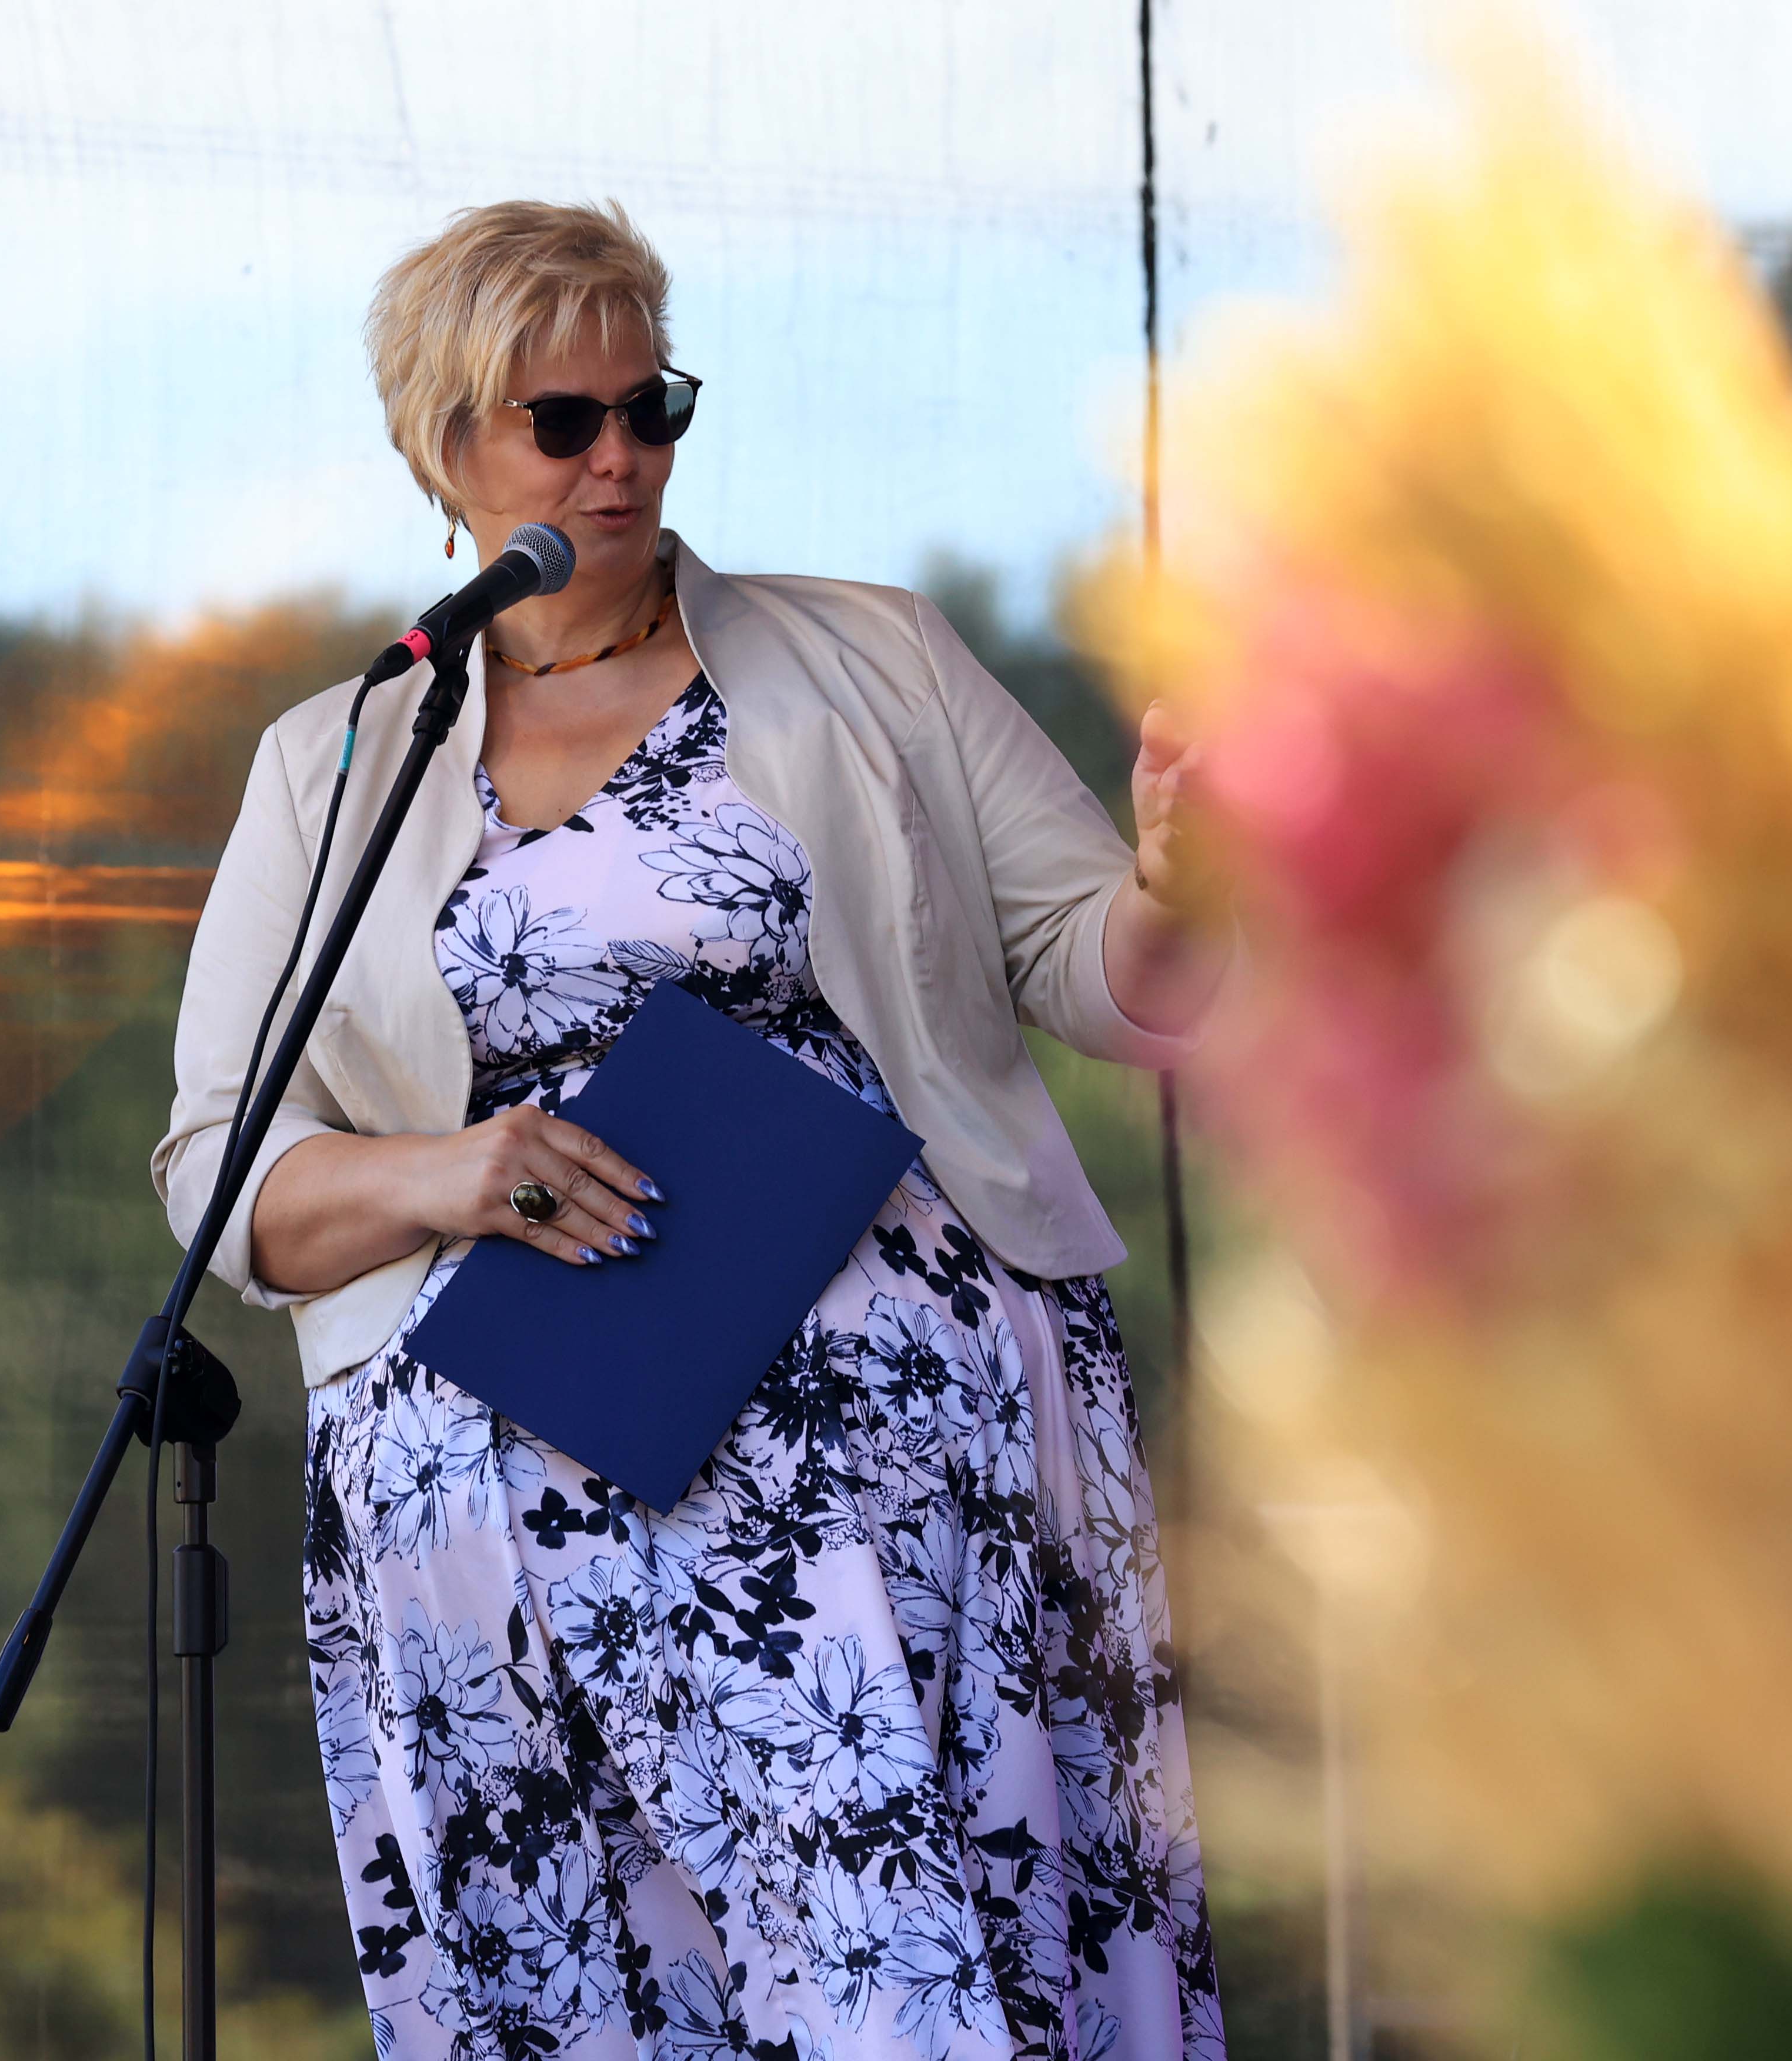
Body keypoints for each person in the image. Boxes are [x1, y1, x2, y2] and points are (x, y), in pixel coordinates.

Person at [154, 199, 1232, 2061]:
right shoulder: (335, 760)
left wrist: (1177, 888)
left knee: (906, 1984)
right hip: (494, 1493)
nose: (622, 457)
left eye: (652, 407)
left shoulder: (872, 661)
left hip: (877, 1458)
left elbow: (1106, 977)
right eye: (563, 421)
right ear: (446, 445)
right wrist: (454, 1173)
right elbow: (219, 1177)